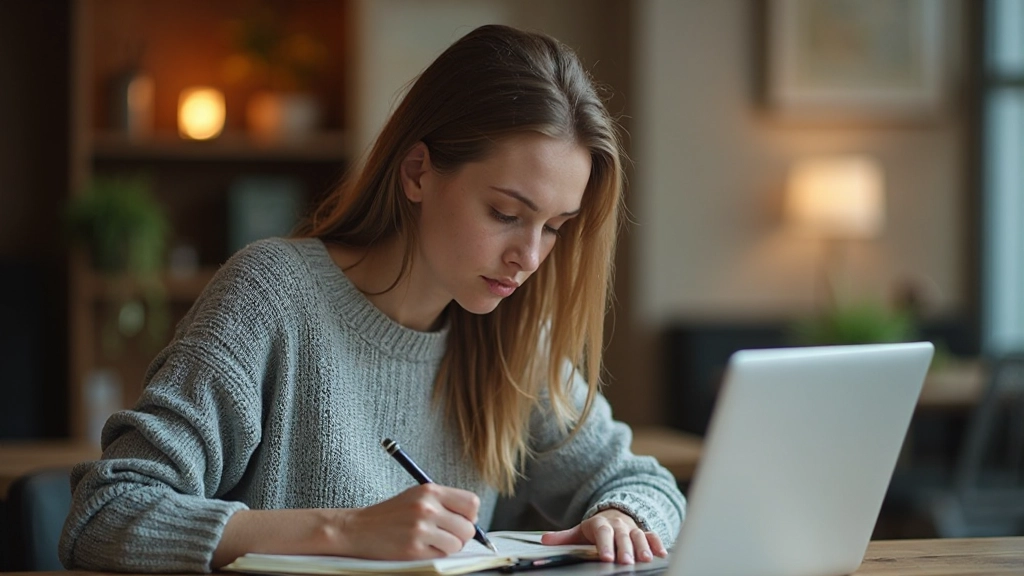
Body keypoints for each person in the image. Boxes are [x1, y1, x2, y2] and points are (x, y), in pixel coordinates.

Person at [59, 24, 686, 573]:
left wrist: (621, 517)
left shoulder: (511, 331)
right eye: (504, 213)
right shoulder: (272, 296)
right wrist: (345, 532)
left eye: (554, 227)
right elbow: (107, 512)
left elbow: (643, 482)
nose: (530, 256)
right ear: (417, 173)